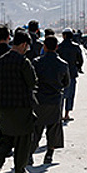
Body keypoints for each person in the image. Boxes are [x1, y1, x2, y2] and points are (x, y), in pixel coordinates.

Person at [0, 31, 37, 173]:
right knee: (23, 139)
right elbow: (32, 82)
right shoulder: (23, 62)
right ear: (23, 44)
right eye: (27, 46)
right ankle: (19, 172)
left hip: (4, 106)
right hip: (22, 106)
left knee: (5, 137)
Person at [29, 36, 70, 165]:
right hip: (55, 99)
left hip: (39, 99)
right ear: (56, 47)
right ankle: (49, 155)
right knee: (54, 128)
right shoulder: (63, 64)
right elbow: (66, 83)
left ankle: (29, 155)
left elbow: (31, 80)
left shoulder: (36, 62)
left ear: (44, 47)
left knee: (35, 129)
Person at [57, 28, 83, 121]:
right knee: (70, 95)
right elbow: (80, 60)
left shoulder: (59, 47)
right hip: (72, 73)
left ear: (64, 36)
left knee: (60, 94)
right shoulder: (75, 47)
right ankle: (67, 114)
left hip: (60, 74)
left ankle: (59, 114)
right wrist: (78, 67)